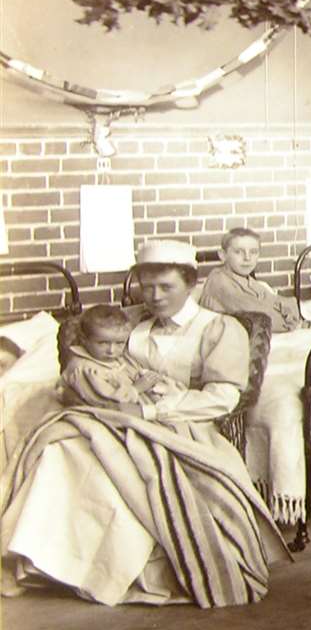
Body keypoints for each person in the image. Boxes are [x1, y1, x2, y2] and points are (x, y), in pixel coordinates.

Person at [1, 239, 288, 607]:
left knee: (112, 468)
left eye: (165, 287)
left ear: (190, 284)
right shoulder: (131, 322)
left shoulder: (218, 328)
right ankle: (48, 562)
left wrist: (151, 412)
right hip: (116, 418)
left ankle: (110, 571)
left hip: (184, 424)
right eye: (146, 286)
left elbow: (224, 398)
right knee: (61, 448)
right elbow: (93, 355)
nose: (153, 296)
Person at [60, 305, 182, 417]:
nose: (111, 350)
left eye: (119, 343)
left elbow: (136, 372)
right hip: (107, 414)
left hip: (135, 406)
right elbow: (105, 403)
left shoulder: (120, 358)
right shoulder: (83, 368)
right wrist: (136, 389)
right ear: (85, 340)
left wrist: (150, 379)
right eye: (102, 343)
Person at [200, 227, 303, 333]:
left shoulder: (249, 280)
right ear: (223, 255)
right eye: (238, 252)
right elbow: (259, 318)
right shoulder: (219, 280)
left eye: (253, 252)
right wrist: (288, 320)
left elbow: (288, 302)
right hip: (228, 339)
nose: (247, 258)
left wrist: (287, 313)